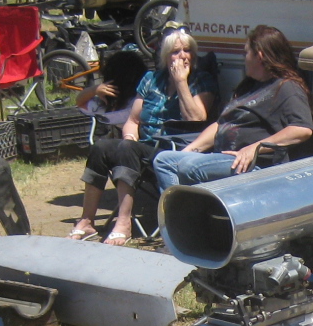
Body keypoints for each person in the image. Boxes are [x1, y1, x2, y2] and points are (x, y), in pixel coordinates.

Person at [69, 30, 219, 244]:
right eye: (176, 52)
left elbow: (197, 117)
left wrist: (181, 83)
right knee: (101, 147)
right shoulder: (151, 79)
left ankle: (124, 223)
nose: (183, 56)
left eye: (188, 51)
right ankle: (87, 221)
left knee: (128, 150)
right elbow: (134, 120)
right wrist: (130, 135)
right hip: (146, 147)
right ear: (165, 57)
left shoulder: (202, 81)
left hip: (176, 152)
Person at [152, 25, 313, 191]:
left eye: (246, 53)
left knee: (189, 167)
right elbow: (222, 124)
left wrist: (255, 148)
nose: (244, 58)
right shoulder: (249, 87)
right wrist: (191, 149)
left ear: (259, 56)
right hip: (223, 157)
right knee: (164, 160)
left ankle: (193, 214)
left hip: (253, 163)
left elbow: (302, 129)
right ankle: (177, 215)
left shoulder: (286, 87)